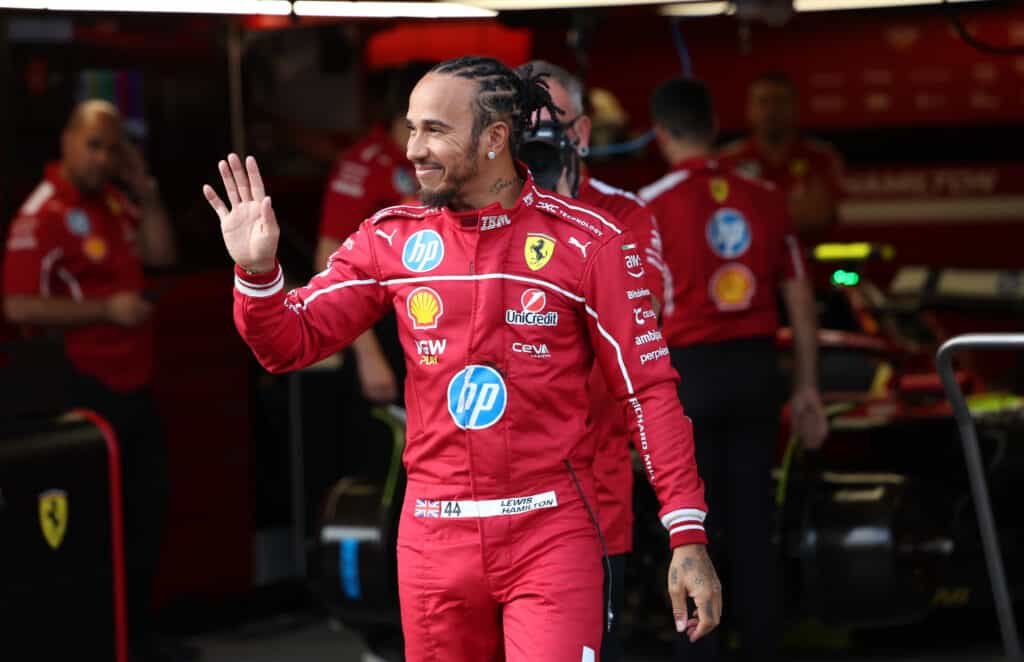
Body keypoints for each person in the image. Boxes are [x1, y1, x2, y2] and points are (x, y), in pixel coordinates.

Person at [204, 55, 722, 662]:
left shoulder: (588, 242)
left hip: (551, 532)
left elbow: (649, 390)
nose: (413, 150)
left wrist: (686, 536)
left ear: (495, 138)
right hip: (433, 539)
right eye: (410, 127)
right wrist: (259, 273)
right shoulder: (389, 238)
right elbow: (287, 343)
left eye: (434, 130)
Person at [640, 78, 828, 662]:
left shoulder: (648, 204)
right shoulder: (766, 196)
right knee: (753, 522)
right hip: (755, 369)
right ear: (715, 125)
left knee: (692, 527)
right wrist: (806, 388)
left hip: (687, 378)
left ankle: (699, 653)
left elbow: (640, 309)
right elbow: (800, 299)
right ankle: (763, 646)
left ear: (661, 134)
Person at [2, 100, 193, 662]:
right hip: (79, 394)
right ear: (66, 141)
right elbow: (16, 305)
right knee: (90, 526)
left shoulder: (116, 200)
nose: (103, 157)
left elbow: (161, 254)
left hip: (137, 382)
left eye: (112, 147)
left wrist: (148, 190)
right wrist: (106, 310)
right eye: (93, 145)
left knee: (145, 513)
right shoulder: (42, 213)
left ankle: (138, 638)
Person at [514, 59, 666, 662]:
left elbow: (637, 327)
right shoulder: (477, 214)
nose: (539, 135)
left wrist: (560, 210)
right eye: (523, 121)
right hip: (496, 505)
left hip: (591, 493)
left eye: (551, 120)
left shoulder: (625, 215)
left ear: (582, 130)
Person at [316, 63, 431, 404]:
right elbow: (328, 259)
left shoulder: (443, 163)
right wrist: (368, 354)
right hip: (380, 331)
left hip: (432, 326)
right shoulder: (365, 164)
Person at [718, 72, 844, 239]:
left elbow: (819, 216)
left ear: (796, 107)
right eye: (763, 102)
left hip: (809, 260)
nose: (771, 111)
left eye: (780, 102)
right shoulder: (727, 160)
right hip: (751, 263)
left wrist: (754, 209)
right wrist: (793, 208)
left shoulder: (821, 158)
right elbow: (724, 221)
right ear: (749, 110)